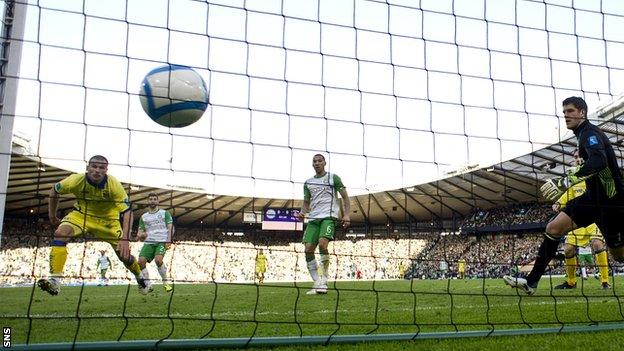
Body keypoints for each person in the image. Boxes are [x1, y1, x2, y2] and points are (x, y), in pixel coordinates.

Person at [504, 96, 623, 294]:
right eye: (564, 112)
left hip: (612, 202)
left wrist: (565, 181)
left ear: (582, 113)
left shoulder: (590, 133)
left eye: (570, 111)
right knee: (553, 228)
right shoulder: (581, 135)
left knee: (619, 256)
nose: (566, 115)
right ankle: (531, 282)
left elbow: (600, 161)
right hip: (591, 199)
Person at [37, 155, 150, 295]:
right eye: (94, 167)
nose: (97, 170)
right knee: (60, 233)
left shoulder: (113, 184)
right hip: (81, 216)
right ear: (87, 168)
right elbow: (54, 191)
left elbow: (127, 212)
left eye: (101, 168)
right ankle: (55, 282)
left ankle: (140, 278)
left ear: (106, 170)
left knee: (124, 257)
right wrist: (52, 216)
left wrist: (125, 238)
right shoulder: (75, 180)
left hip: (108, 222)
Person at [550, 152, 610, 290]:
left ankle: (605, 281)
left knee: (597, 244)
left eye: (579, 157)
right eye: (575, 158)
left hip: (594, 218)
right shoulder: (573, 177)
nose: (577, 160)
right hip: (577, 219)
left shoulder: (596, 172)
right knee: (568, 249)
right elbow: (568, 194)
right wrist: (559, 203)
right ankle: (571, 282)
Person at [296, 154, 350, 295]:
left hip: (328, 216)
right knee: (308, 249)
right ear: (312, 164)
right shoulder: (308, 182)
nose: (317, 163)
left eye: (320, 161)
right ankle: (317, 282)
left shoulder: (333, 178)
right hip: (313, 219)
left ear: (325, 163)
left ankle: (323, 280)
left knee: (322, 244)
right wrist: (302, 213)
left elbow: (345, 197)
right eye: (314, 161)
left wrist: (347, 215)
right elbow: (306, 204)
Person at [136, 193, 174, 292]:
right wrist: (140, 235)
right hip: (149, 242)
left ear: (157, 201)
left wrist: (169, 240)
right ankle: (148, 285)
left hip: (161, 241)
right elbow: (140, 232)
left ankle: (166, 283)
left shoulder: (164, 213)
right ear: (148, 201)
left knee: (158, 260)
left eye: (154, 199)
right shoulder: (144, 217)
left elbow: (170, 227)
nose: (152, 200)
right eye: (150, 199)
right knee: (140, 262)